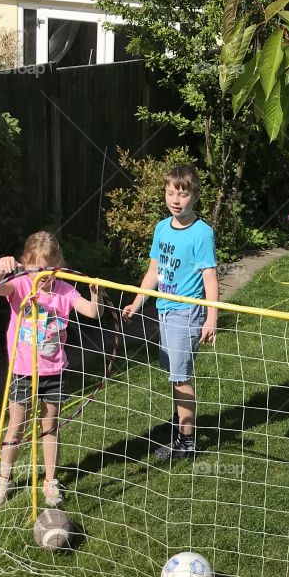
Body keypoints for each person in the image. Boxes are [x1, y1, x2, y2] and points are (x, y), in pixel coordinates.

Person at [0, 232, 100, 509]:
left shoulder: (65, 291)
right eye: (37, 269)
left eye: (49, 269)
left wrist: (95, 293)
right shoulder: (20, 285)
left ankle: (50, 480)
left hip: (55, 371)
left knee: (50, 428)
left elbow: (92, 313)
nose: (44, 276)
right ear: (25, 264)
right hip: (23, 370)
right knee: (17, 427)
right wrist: (3, 267)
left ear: (58, 265)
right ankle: (4, 478)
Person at [121, 164, 218, 461]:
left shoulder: (202, 234)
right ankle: (181, 425)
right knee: (175, 375)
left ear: (195, 197)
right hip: (164, 310)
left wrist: (212, 318)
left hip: (187, 312)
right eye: (171, 193)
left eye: (183, 194)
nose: (176, 199)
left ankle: (186, 443)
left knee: (181, 377)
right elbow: (154, 271)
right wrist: (137, 303)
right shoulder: (161, 229)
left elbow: (210, 278)